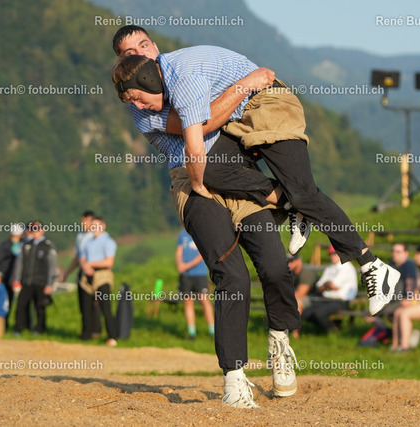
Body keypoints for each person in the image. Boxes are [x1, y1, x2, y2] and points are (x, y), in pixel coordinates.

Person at [111, 45, 400, 316]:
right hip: (240, 120)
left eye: (136, 97)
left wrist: (197, 186)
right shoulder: (163, 89)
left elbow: (199, 137)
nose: (138, 106)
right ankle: (292, 207)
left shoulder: (181, 79)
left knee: (303, 193)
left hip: (268, 104)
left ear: (148, 78)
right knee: (214, 169)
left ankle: (371, 264)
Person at [113, 25, 303, 408]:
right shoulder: (141, 106)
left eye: (144, 44)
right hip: (192, 180)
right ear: (124, 64)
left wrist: (249, 86)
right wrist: (246, 83)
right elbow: (203, 123)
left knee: (274, 265)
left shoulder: (187, 70)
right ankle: (234, 376)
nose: (140, 53)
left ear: (154, 46)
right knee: (231, 274)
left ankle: (280, 341)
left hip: (234, 172)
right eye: (129, 52)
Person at [60, 210, 102, 340]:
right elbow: (78, 257)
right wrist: (67, 272)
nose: (83, 224)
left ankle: (96, 330)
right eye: (82, 221)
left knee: (95, 302)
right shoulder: (80, 236)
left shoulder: (97, 236)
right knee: (84, 303)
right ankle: (86, 331)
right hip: (82, 271)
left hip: (94, 271)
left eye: (86, 221)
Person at [12, 221, 56, 335]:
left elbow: (52, 266)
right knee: (21, 305)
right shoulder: (26, 245)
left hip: (41, 281)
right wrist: (17, 279)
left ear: (42, 230)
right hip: (27, 281)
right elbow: (20, 263)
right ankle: (18, 329)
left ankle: (40, 329)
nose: (35, 232)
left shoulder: (47, 246)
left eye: (37, 229)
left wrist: (50, 284)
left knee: (40, 306)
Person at [300, 245, 358, 333]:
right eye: (330, 254)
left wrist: (326, 285)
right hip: (327, 299)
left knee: (319, 313)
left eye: (334, 253)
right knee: (305, 313)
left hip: (341, 301)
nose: (332, 256)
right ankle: (332, 326)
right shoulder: (330, 267)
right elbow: (319, 286)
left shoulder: (346, 267)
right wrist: (328, 285)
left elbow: (334, 285)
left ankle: (333, 331)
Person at [80, 217, 118, 347]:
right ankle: (86, 334)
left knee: (105, 307)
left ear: (103, 226)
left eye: (97, 225)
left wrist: (91, 264)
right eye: (93, 225)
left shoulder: (108, 241)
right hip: (88, 275)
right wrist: (85, 266)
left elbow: (109, 262)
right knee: (86, 307)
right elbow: (83, 258)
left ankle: (111, 336)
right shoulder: (88, 242)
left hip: (102, 276)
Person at [176, 229, 215, 340]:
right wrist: (179, 265)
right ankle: (191, 332)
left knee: (204, 300)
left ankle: (212, 330)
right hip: (186, 276)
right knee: (188, 302)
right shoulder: (182, 235)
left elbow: (202, 255)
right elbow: (179, 252)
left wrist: (186, 266)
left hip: (199, 274)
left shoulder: (201, 233)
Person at [0, 223, 24, 329]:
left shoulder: (24, 244)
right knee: (5, 302)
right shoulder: (5, 245)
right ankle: (4, 325)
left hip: (20, 278)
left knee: (21, 303)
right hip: (5, 278)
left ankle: (21, 325)